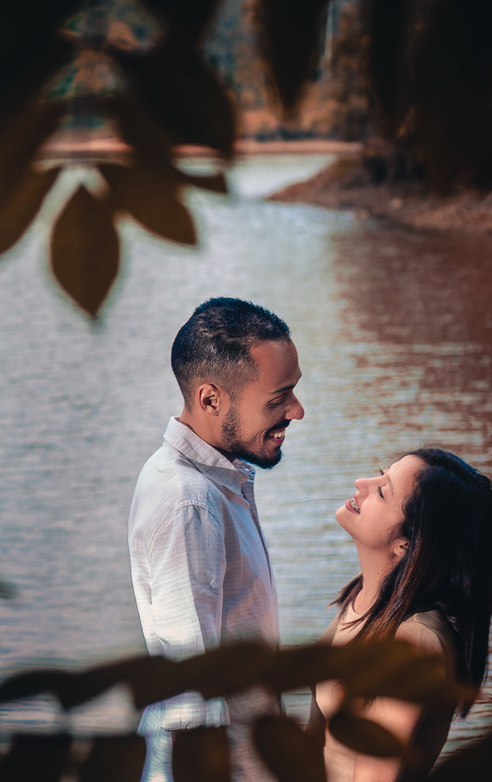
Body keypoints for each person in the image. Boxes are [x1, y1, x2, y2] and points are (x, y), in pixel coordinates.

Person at [128, 297, 305, 781]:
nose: (297, 410)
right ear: (211, 400)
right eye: (278, 398)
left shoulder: (218, 480)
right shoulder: (190, 501)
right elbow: (190, 693)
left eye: (293, 391)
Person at [310, 448, 492, 781]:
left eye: (382, 492)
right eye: (380, 474)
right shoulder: (365, 599)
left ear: (406, 544)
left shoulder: (413, 644)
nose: (361, 483)